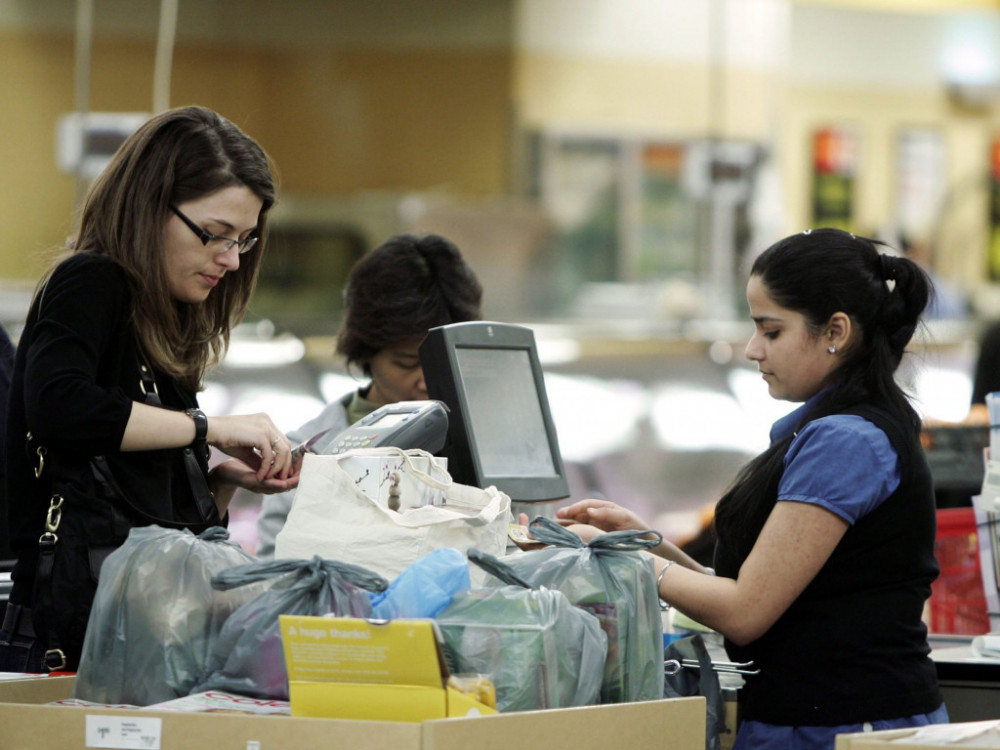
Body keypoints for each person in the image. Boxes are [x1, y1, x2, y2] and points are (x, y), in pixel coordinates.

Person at [556, 228, 947, 750]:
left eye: (771, 330)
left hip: (845, 728)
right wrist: (642, 541)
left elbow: (746, 613)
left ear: (835, 330)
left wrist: (620, 557)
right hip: (822, 720)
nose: (751, 349)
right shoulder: (841, 426)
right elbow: (756, 599)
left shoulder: (845, 440)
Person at [1, 106, 300, 674]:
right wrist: (210, 428)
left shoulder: (166, 319)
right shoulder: (91, 281)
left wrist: (217, 481)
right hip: (71, 647)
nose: (231, 260)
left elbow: (159, 550)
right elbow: (61, 406)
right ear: (149, 207)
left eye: (244, 240)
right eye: (214, 234)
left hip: (140, 643)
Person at [254, 232, 483, 558]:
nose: (426, 381)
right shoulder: (307, 452)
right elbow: (274, 571)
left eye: (444, 362)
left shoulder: (487, 441)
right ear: (366, 352)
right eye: (407, 363)